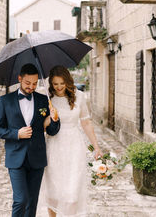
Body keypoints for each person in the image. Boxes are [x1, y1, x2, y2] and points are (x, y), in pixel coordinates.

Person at [0, 63, 60, 217]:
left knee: (32, 201)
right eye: (28, 83)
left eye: (35, 83)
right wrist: (17, 133)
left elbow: (52, 131)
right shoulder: (5, 101)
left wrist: (54, 119)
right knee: (20, 199)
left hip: (37, 157)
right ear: (20, 79)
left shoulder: (43, 100)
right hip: (16, 157)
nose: (31, 87)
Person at [41, 65, 102, 217]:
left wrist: (96, 147)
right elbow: (40, 127)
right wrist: (50, 118)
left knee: (73, 189)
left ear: (68, 81)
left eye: (62, 83)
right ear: (51, 84)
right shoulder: (46, 99)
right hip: (54, 145)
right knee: (53, 188)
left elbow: (86, 123)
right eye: (55, 84)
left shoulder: (79, 96)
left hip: (74, 146)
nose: (59, 87)